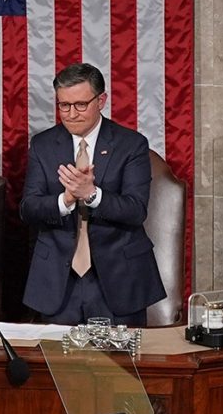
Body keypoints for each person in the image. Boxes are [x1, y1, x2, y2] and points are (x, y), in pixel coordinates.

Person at [20, 63, 166, 326]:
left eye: (80, 105)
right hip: (58, 281)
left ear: (101, 101)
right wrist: (65, 200)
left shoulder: (131, 144)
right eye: (64, 105)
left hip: (118, 278)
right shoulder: (42, 145)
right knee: (58, 353)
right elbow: (29, 208)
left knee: (119, 355)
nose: (71, 114)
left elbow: (136, 210)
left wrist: (91, 194)